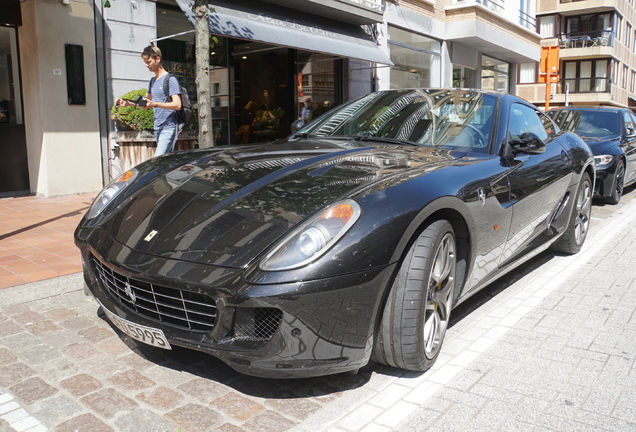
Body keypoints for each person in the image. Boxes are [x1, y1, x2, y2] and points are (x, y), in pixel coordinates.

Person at [115, 45, 181, 156]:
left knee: (157, 160)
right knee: (165, 161)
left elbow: (177, 104)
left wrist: (155, 104)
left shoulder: (170, 80)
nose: (147, 65)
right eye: (145, 62)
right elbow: (145, 104)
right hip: (157, 127)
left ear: (158, 59)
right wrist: (126, 103)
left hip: (168, 127)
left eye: (149, 62)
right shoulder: (152, 81)